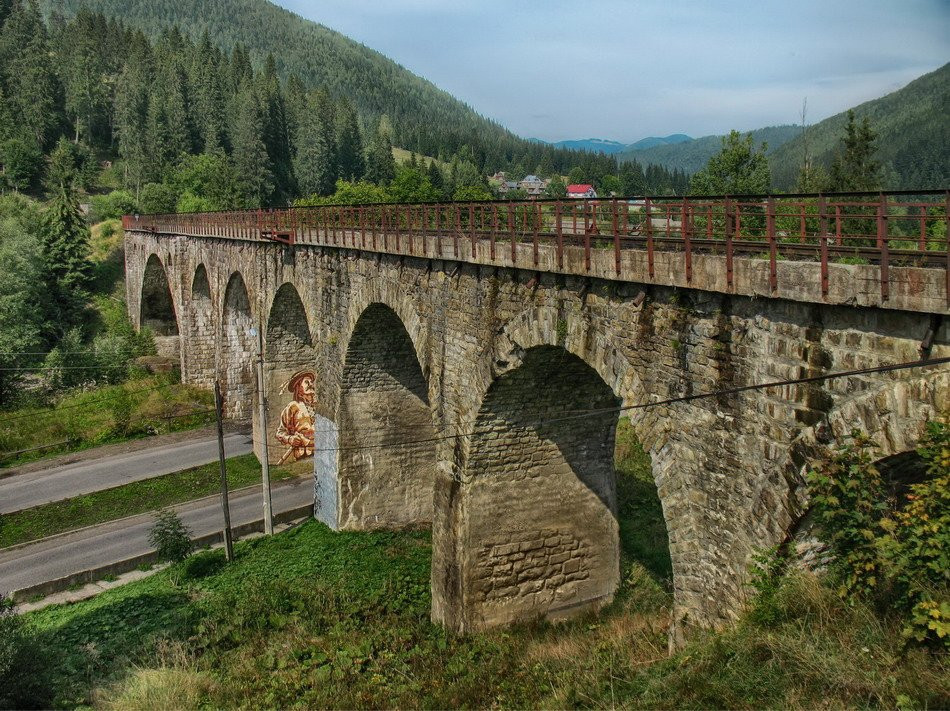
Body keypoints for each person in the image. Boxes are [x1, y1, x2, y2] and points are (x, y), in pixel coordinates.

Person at [275, 370, 316, 463]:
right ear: (298, 386)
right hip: (304, 455)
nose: (310, 384)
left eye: (311, 382)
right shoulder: (292, 407)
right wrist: (290, 439)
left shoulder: (319, 405)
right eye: (306, 382)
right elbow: (280, 433)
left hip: (323, 451)